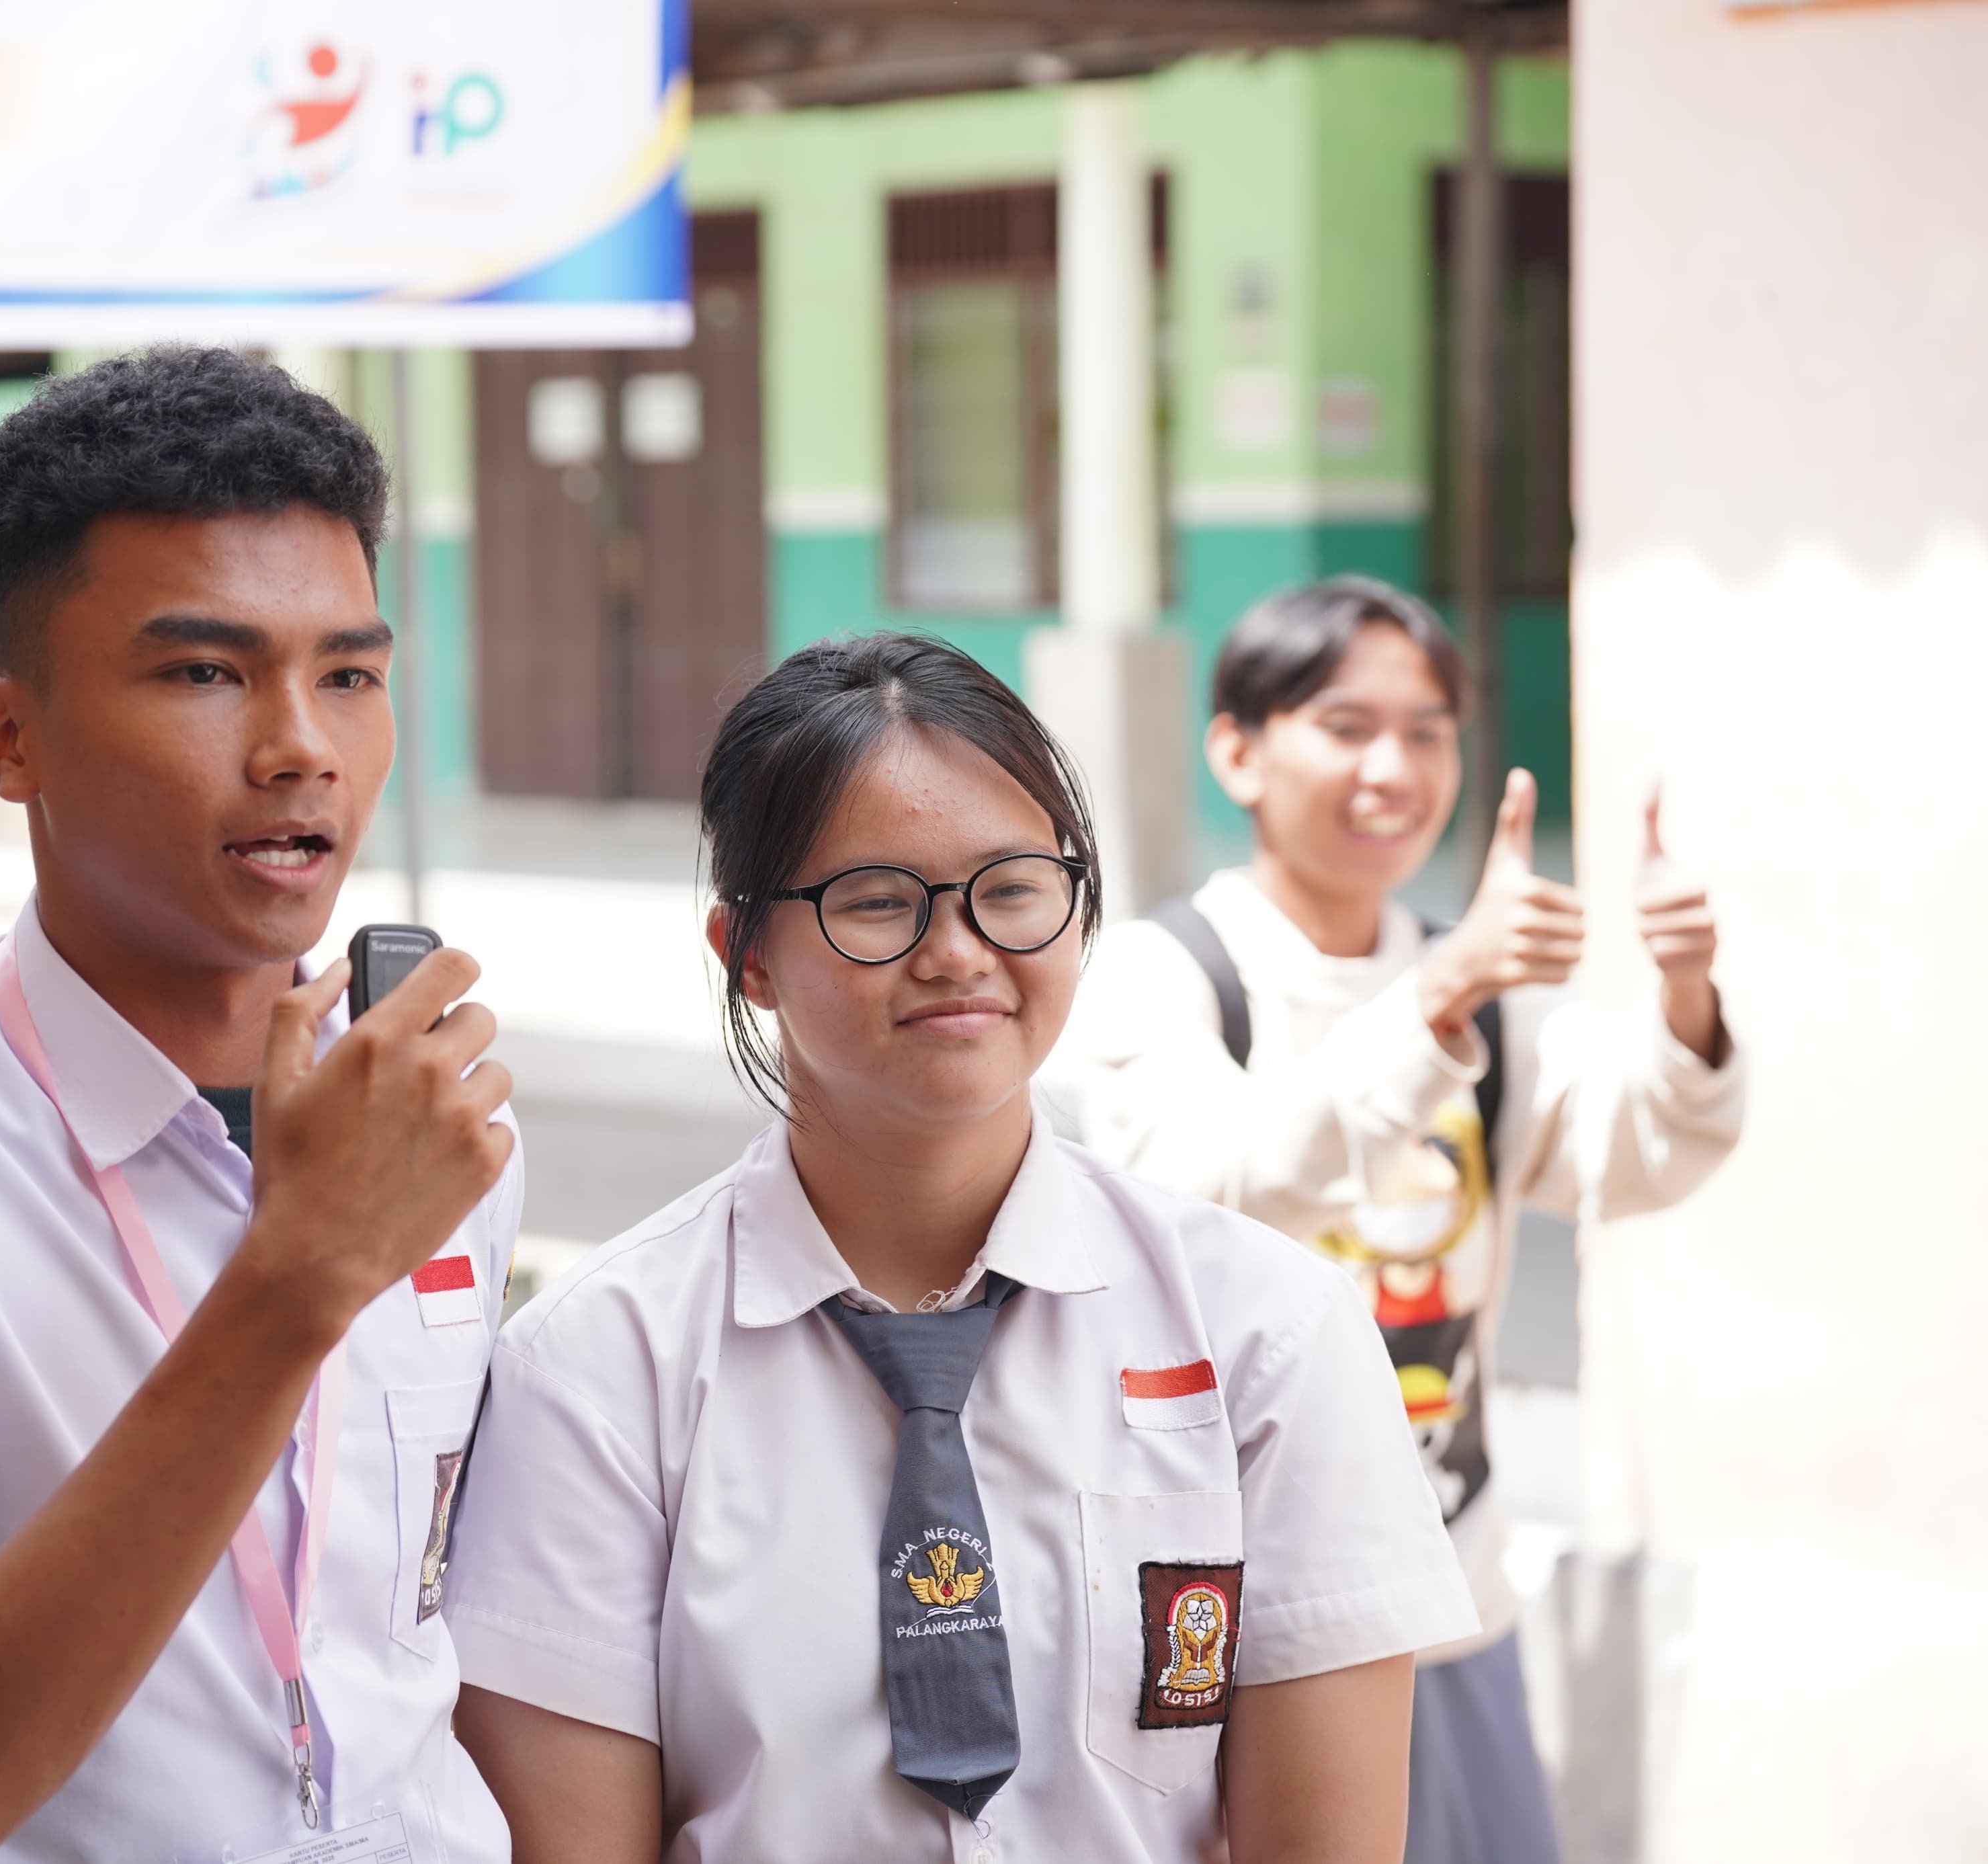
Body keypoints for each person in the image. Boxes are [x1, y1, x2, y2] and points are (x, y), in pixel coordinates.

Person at [0, 348, 523, 1863]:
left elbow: (452, 1647)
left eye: (349, 673)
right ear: (8, 738)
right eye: (203, 672)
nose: (300, 746)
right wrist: (297, 1276)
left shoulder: (425, 1108)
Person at [446, 633, 1477, 1863]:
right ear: (749, 953)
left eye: (1012, 887)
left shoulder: (1269, 1331)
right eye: (878, 899)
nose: (956, 949)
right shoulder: (599, 1369)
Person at [1048, 576, 1747, 1864]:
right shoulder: (1171, 972)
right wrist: (1439, 993)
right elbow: (1210, 1190)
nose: (1395, 766)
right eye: (1348, 724)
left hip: (1447, 1585)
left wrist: (1689, 999)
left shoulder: (1472, 983)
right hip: (1234, 1616)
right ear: (1239, 749)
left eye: (1428, 731)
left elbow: (1630, 1150)